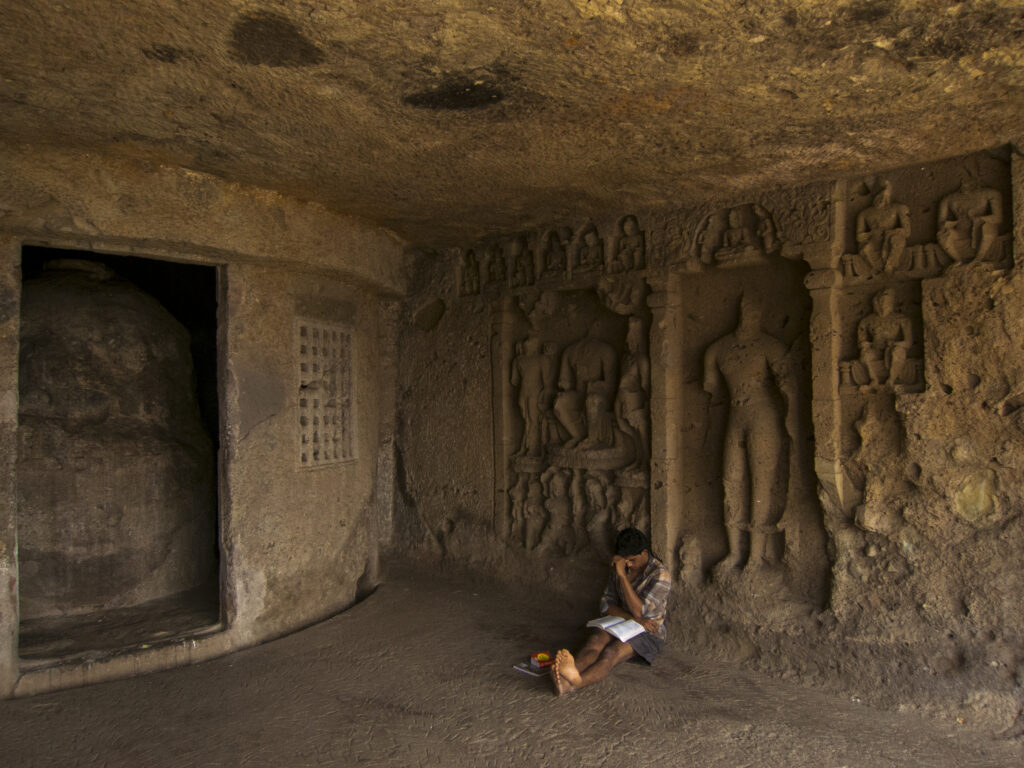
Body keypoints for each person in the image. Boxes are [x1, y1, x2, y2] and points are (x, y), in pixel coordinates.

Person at [551, 528, 671, 696]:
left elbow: (640, 611)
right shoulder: (621, 565)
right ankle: (565, 676)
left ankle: (575, 684)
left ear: (644, 553)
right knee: (594, 642)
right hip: (622, 621)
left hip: (648, 632)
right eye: (625, 560)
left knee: (610, 653)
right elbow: (606, 605)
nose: (628, 564)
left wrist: (622, 576)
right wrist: (632, 618)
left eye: (632, 560)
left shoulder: (660, 574)